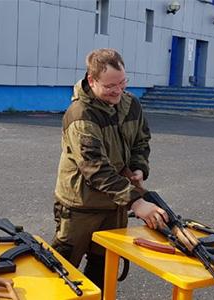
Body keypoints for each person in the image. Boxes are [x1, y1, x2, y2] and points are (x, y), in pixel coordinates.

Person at [51, 48, 168, 291]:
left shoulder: (130, 103)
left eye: (122, 83)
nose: (118, 91)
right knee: (62, 273)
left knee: (103, 270)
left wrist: (138, 168)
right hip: (80, 207)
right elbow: (95, 168)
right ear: (92, 81)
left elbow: (141, 141)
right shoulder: (80, 115)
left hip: (115, 206)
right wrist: (137, 202)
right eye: (110, 86)